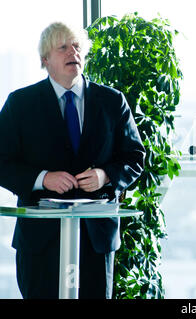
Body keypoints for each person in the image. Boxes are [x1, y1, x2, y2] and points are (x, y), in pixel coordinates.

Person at [0, 22, 145, 299]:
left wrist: (106, 175)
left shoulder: (112, 101)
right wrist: (43, 178)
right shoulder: (20, 104)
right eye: (63, 47)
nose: (73, 53)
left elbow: (135, 156)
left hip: (96, 239)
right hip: (40, 240)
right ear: (45, 59)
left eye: (77, 47)